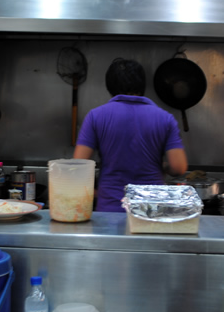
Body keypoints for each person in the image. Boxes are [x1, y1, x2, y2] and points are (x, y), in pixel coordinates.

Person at [73, 58, 188, 212]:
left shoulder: (95, 116)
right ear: (143, 85)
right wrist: (164, 166)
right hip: (151, 211)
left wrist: (95, 193)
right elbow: (179, 167)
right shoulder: (165, 118)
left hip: (111, 208)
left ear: (109, 86)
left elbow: (77, 166)